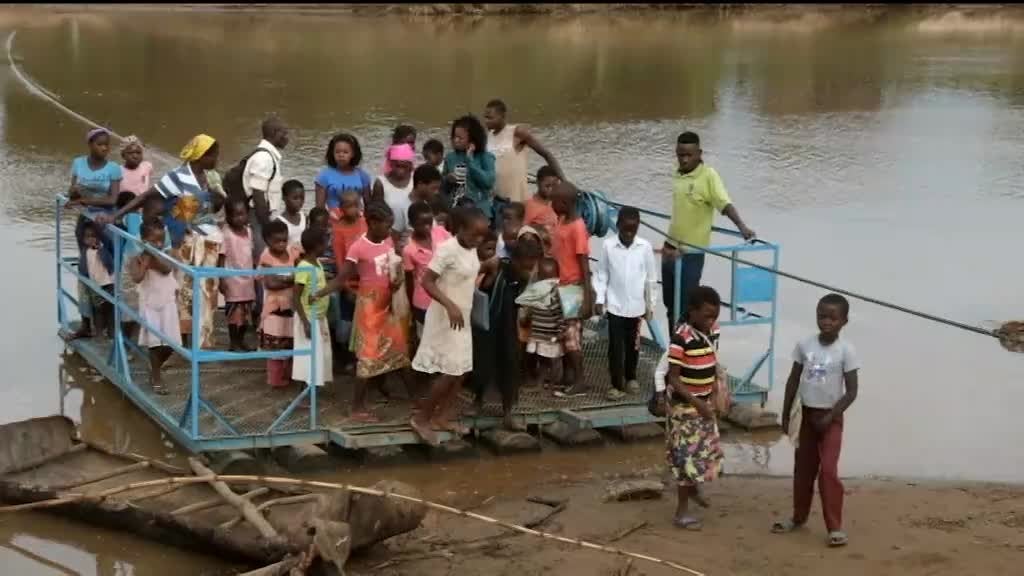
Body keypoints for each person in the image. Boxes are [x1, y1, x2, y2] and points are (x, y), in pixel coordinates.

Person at [99, 134, 224, 349]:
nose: (216, 160)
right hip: (185, 241)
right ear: (200, 156)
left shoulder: (212, 178)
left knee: (208, 291)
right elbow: (146, 197)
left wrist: (216, 194)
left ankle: (204, 341)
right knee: (186, 292)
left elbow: (218, 207)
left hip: (210, 241)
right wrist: (116, 214)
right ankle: (184, 343)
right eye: (212, 156)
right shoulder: (177, 177)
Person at [773, 294, 860, 548]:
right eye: (822, 316)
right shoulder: (805, 345)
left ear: (844, 321)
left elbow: (852, 391)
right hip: (806, 417)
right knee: (803, 470)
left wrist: (831, 416)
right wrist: (787, 413)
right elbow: (793, 380)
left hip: (830, 419)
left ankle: (835, 527)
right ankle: (798, 517)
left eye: (833, 318)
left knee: (828, 472)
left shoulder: (847, 350)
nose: (826, 322)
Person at [321, 202, 410, 421]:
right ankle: (356, 408)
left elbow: (393, 268)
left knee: (399, 351)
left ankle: (413, 400)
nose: (389, 231)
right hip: (370, 305)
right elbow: (342, 278)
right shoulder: (358, 247)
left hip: (388, 303)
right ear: (372, 223)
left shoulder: (388, 241)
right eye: (386, 226)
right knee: (368, 356)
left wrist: (397, 281)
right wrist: (320, 293)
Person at [409, 207, 489, 445]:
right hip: (445, 317)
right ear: (461, 229)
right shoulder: (447, 250)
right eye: (475, 234)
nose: (478, 240)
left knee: (462, 370)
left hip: (462, 317)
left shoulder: (472, 250)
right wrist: (449, 305)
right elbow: (427, 281)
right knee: (449, 371)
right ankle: (422, 418)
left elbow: (466, 274)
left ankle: (442, 416)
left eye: (482, 236)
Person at [663, 131, 755, 330]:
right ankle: (674, 347)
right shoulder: (677, 173)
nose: (684, 159)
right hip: (670, 248)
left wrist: (742, 227)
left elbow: (724, 204)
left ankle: (690, 350)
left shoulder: (709, 176)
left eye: (689, 155)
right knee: (670, 305)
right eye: (680, 155)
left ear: (699, 153)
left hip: (691, 253)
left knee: (687, 308)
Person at [665, 285, 725, 531]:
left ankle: (693, 489)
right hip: (685, 410)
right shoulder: (681, 339)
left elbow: (711, 365)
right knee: (686, 460)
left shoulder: (711, 333)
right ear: (692, 311)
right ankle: (681, 513)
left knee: (703, 455)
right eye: (707, 315)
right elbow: (674, 379)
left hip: (704, 404)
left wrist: (714, 395)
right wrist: (696, 402)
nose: (711, 321)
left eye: (715, 316)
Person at [472, 238, 542, 430]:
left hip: (509, 326)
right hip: (488, 324)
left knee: (511, 365)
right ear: (516, 260)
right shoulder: (498, 267)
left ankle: (508, 413)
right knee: (482, 362)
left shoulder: (526, 276)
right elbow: (476, 277)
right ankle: (477, 401)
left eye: (531, 267)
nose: (528, 271)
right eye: (526, 267)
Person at [593, 206, 658, 400]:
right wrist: (599, 298)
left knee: (634, 345)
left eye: (633, 229)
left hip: (637, 307)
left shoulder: (644, 247)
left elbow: (651, 279)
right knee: (615, 346)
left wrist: (650, 304)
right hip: (615, 305)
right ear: (618, 225)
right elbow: (602, 273)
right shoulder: (608, 246)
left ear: (637, 227)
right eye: (625, 229)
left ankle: (631, 377)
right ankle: (616, 384)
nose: (629, 234)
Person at [66, 127, 122, 340]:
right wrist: (73, 194)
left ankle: (110, 326)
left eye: (107, 144)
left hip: (105, 224)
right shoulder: (78, 163)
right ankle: (85, 324)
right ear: (90, 145)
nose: (105, 148)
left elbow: (113, 200)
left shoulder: (114, 168)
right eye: (100, 144)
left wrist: (84, 201)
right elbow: (71, 192)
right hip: (85, 224)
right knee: (85, 271)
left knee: (106, 272)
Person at [549, 181, 593, 396]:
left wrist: (588, 297)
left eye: (555, 201)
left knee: (571, 337)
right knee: (565, 336)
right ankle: (568, 376)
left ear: (565, 203)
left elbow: (584, 264)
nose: (551, 204)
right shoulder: (562, 220)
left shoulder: (577, 228)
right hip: (560, 286)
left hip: (573, 287)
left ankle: (580, 381)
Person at [483, 99, 565, 205]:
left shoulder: (516, 132)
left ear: (502, 116)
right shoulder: (488, 137)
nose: (486, 121)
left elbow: (546, 154)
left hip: (517, 201)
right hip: (495, 199)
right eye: (485, 117)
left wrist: (564, 181)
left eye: (490, 118)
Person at [130, 218, 179, 395]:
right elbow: (136, 277)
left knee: (170, 344)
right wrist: (144, 264)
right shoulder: (137, 258)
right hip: (150, 304)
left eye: (161, 240)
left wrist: (153, 256)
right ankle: (156, 376)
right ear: (143, 240)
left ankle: (154, 368)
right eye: (153, 241)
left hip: (167, 303)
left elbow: (166, 269)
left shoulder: (166, 254)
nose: (158, 244)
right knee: (154, 343)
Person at [258, 220, 301, 388]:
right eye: (277, 241)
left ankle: (289, 375)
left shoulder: (293, 252)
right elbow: (271, 284)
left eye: (285, 240)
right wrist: (292, 280)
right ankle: (275, 379)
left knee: (290, 342)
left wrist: (284, 280)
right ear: (268, 241)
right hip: (274, 308)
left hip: (291, 306)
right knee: (275, 346)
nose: (282, 244)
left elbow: (300, 273)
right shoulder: (266, 256)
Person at [403, 201, 452, 344]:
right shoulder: (409, 249)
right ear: (411, 224)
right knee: (426, 339)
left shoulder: (440, 233)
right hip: (424, 301)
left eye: (429, 223)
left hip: (445, 296)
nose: (427, 227)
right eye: (421, 224)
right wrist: (412, 306)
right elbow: (409, 279)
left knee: (445, 338)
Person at [292, 228, 333, 389]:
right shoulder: (304, 266)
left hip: (318, 317)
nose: (327, 246)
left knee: (318, 353)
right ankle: (303, 390)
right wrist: (305, 322)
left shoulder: (317, 263)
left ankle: (312, 387)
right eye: (325, 243)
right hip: (308, 317)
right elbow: (296, 296)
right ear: (317, 245)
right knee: (306, 356)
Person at [516, 256, 565, 389]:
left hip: (550, 334)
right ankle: (541, 380)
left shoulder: (555, 295)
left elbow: (560, 314)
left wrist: (561, 330)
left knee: (550, 359)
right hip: (538, 333)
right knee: (540, 358)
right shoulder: (537, 293)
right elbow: (531, 308)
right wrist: (526, 318)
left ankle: (550, 381)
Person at [218, 199, 256, 352]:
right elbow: (221, 257)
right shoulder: (226, 234)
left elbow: (250, 254)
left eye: (243, 214)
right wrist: (221, 279)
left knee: (246, 314)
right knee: (234, 314)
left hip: (248, 280)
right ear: (229, 216)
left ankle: (241, 340)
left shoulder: (249, 231)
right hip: (233, 280)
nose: (240, 218)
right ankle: (233, 342)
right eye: (236, 215)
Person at [442, 115, 496, 220]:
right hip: (456, 211)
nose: (456, 140)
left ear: (472, 140)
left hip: (480, 212)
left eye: (460, 138)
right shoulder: (450, 158)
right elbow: (442, 189)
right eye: (454, 137)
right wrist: (448, 179)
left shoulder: (485, 157)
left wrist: (470, 161)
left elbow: (488, 182)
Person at [243, 116, 289, 226]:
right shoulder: (264, 158)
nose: (287, 138)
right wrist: (266, 227)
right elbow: (258, 196)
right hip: (258, 217)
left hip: (261, 215)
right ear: (275, 133)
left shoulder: (268, 156)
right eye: (284, 133)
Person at [372, 143, 415, 250]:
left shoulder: (416, 179)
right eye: (397, 166)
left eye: (404, 166)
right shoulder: (381, 183)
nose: (400, 170)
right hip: (388, 235)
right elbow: (376, 212)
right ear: (391, 164)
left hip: (413, 232)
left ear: (410, 165)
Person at [315, 132, 372, 211]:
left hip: (358, 220)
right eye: (337, 152)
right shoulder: (324, 177)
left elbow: (368, 205)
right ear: (332, 153)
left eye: (345, 152)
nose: (341, 155)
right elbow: (319, 209)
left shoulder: (363, 176)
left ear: (353, 154)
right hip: (334, 220)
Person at [81, 221, 115, 338]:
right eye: (87, 236)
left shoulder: (103, 250)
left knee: (110, 310)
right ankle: (99, 333)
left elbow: (110, 266)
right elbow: (84, 268)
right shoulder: (86, 251)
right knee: (98, 310)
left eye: (93, 236)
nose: (90, 239)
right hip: (95, 286)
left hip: (108, 284)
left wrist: (101, 250)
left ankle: (111, 333)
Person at [524, 165, 560, 232]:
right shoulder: (530, 206)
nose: (551, 189)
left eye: (554, 185)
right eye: (547, 186)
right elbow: (524, 230)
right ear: (537, 183)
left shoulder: (557, 203)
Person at [276, 179, 307, 248]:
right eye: (295, 198)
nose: (300, 201)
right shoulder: (279, 222)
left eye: (302, 198)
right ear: (284, 198)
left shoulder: (304, 217)